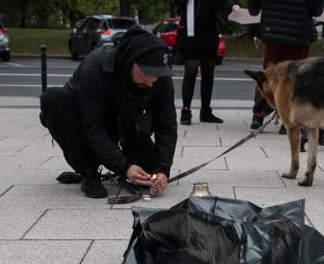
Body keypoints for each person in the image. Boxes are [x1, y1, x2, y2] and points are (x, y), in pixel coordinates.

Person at [39, 28, 177, 199]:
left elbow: (167, 125)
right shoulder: (95, 66)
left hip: (127, 122)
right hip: (88, 119)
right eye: (144, 74)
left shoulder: (160, 76)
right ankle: (88, 170)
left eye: (155, 76)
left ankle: (128, 161)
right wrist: (125, 166)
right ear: (129, 61)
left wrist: (162, 169)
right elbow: (92, 127)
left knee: (146, 174)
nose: (150, 82)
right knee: (53, 100)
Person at [247, 0, 324, 131]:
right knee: (293, 79)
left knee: (268, 75)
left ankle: (259, 112)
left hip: (272, 30)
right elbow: (316, 10)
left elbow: (253, 8)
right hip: (298, 33)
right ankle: (287, 118)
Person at [176, 0, 240, 125]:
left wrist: (233, 6)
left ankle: (205, 110)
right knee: (191, 71)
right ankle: (186, 110)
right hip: (191, 33)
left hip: (208, 34)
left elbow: (223, 2)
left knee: (208, 72)